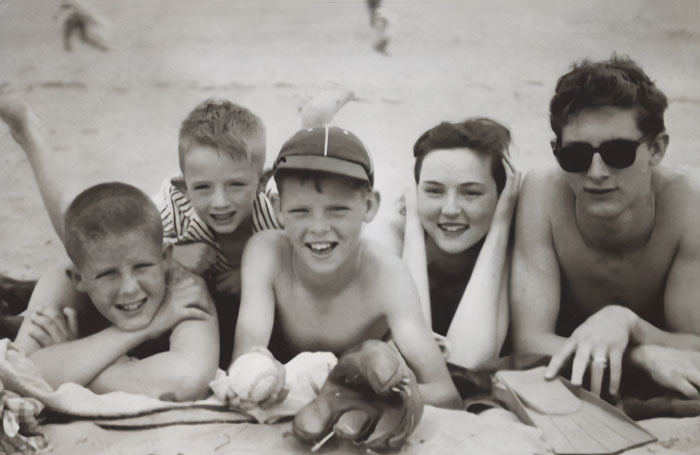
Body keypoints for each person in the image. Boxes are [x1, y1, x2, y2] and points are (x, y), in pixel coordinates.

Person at [1, 97, 280, 367]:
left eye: (236, 185)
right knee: (87, 238)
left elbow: (304, 265)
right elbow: (103, 235)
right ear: (183, 184)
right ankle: (29, 134)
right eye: (203, 187)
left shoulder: (275, 211)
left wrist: (253, 276)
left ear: (261, 180)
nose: (219, 202)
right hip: (163, 303)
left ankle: (19, 295)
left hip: (238, 318)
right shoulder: (177, 204)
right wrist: (177, 251)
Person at [230, 125, 462, 410]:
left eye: (337, 210)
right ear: (278, 209)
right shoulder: (266, 253)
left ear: (370, 205)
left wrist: (343, 396)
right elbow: (244, 362)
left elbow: (445, 392)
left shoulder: (388, 275)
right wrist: (255, 377)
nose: (318, 228)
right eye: (300, 211)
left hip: (361, 388)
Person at [511, 54, 700, 399]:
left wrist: (627, 323)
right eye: (576, 156)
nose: (596, 172)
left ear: (656, 149)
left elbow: (695, 345)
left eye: (618, 153)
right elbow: (529, 340)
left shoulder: (689, 202)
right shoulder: (543, 193)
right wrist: (638, 355)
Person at [13, 182, 219, 400]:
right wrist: (150, 327)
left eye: (142, 267)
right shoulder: (61, 282)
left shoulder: (185, 287)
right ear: (78, 279)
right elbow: (17, 374)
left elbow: (188, 381)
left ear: (165, 258)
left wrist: (68, 363)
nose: (129, 288)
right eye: (107, 274)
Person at [366, 119, 520, 369]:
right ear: (414, 191)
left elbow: (466, 362)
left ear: (502, 195)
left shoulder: (511, 242)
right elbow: (415, 360)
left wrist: (500, 229)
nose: (450, 209)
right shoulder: (388, 235)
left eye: (471, 193)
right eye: (433, 191)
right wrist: (414, 224)